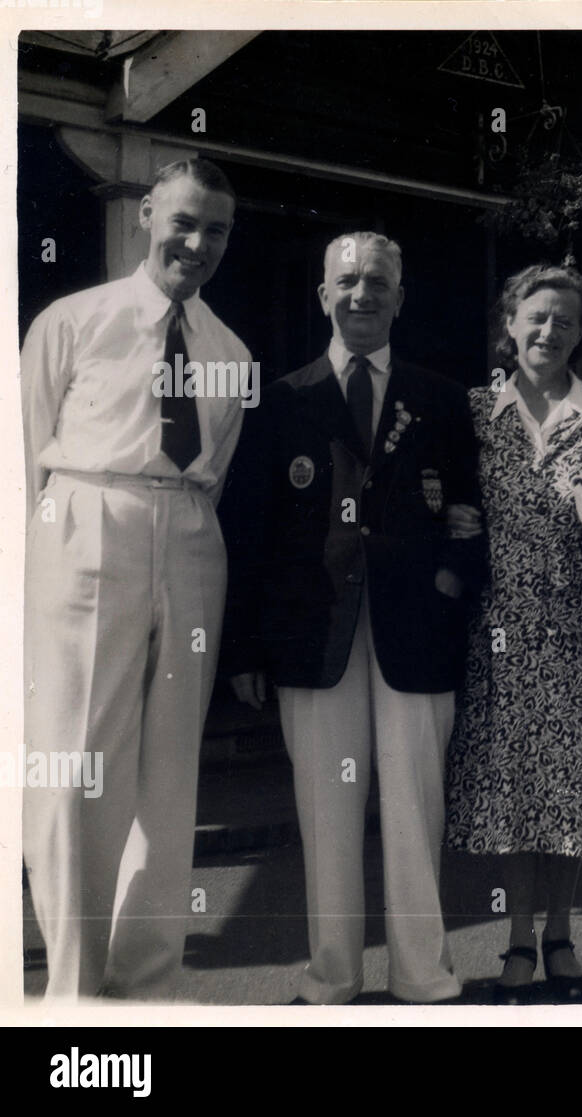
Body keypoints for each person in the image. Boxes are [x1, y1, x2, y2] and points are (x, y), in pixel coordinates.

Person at [220, 231, 485, 1004]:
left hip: (416, 633)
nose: (361, 294)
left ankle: (423, 972)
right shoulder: (283, 399)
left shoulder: (441, 398)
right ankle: (331, 974)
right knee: (326, 813)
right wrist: (244, 647)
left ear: (400, 299)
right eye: (347, 281)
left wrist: (451, 582)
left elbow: (472, 509)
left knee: (414, 807)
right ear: (323, 295)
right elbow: (253, 531)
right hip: (313, 636)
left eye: (378, 282)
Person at [21, 158, 248, 999]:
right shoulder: (73, 320)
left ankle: (145, 981)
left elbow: (214, 467)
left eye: (216, 229)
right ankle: (72, 987)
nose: (196, 242)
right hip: (85, 523)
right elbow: (22, 455)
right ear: (148, 211)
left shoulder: (231, 350)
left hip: (188, 532)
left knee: (168, 769)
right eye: (183, 221)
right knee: (79, 757)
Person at [443, 264, 582, 1005]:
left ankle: (560, 932)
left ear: (581, 332)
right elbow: (447, 497)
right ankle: (518, 935)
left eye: (565, 320)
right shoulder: (473, 412)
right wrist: (453, 519)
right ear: (510, 323)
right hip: (499, 628)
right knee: (513, 792)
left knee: (571, 791)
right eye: (536, 317)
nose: (549, 331)